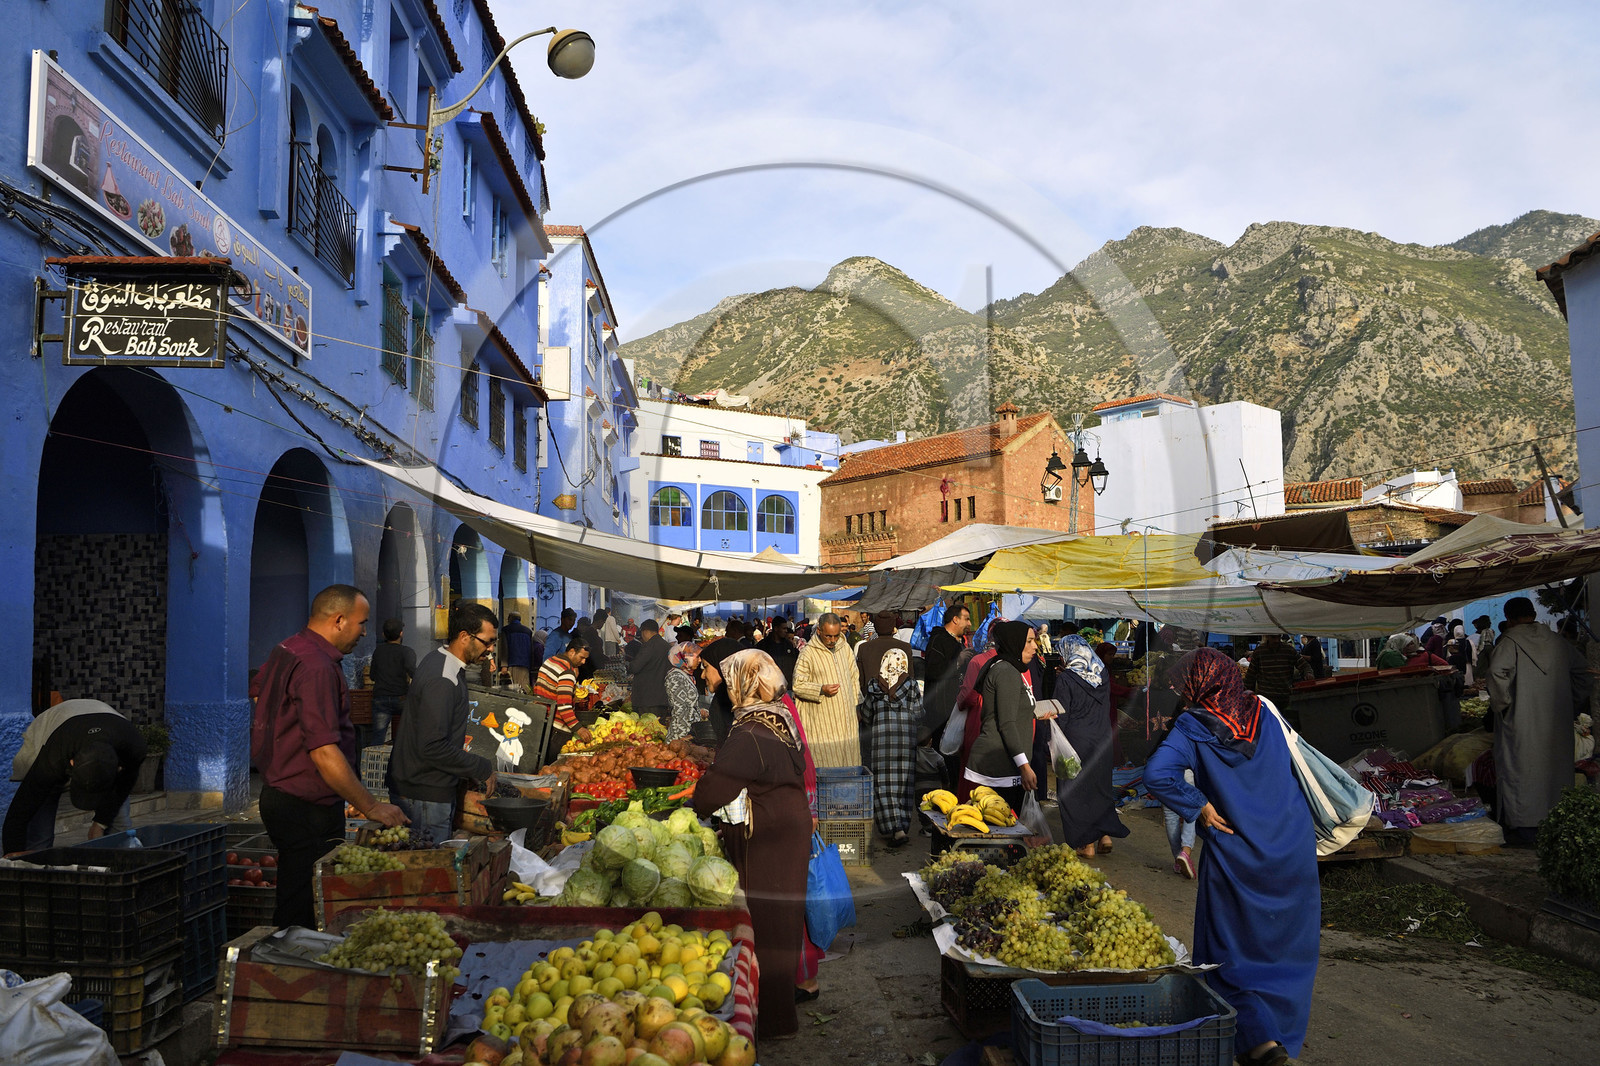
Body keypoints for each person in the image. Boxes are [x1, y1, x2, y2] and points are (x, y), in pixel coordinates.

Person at [1145, 648, 1319, 1066]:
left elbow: (1156, 775)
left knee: (1227, 955)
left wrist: (1199, 806)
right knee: (1285, 953)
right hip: (1292, 846)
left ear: (1199, 685)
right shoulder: (1265, 711)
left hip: (1237, 853)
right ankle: (1277, 1036)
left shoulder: (1191, 726)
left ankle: (1261, 1043)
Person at [250, 585, 407, 928]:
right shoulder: (316, 666)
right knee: (303, 905)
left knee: (299, 891)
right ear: (338, 620)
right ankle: (290, 972)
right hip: (304, 806)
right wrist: (371, 805)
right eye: (361, 623)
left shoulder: (289, 648)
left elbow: (258, 691)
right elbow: (323, 750)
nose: (365, 632)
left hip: (281, 793)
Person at [692, 650, 812, 1039]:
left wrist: (696, 798)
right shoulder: (778, 716)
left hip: (770, 834)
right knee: (783, 922)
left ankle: (775, 1021)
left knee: (768, 923)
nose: (727, 688)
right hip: (787, 825)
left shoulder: (751, 731)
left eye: (730, 680)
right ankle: (778, 1009)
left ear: (744, 682)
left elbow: (712, 791)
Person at [388, 602, 500, 845]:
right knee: (430, 870)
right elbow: (432, 746)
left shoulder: (442, 662)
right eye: (487, 642)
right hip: (424, 793)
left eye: (493, 643)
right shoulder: (442, 678)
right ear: (464, 637)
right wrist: (480, 766)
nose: (490, 650)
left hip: (428, 788)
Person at [1487, 597, 1592, 844]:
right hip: (1558, 720)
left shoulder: (1509, 640)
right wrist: (1568, 703)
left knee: (1521, 771)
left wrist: (1504, 707)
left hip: (1520, 721)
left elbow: (1495, 672)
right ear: (1533, 613)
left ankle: (1524, 830)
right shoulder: (1558, 642)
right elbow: (1583, 675)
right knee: (1555, 772)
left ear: (1509, 618)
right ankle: (1556, 825)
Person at [3, 699, 145, 855]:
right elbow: (19, 813)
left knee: (120, 828)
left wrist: (100, 824)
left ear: (118, 768)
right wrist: (13, 855)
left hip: (104, 724)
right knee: (40, 836)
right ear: (71, 763)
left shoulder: (133, 748)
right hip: (54, 727)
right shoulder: (52, 759)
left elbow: (122, 789)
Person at [1052, 635, 1129, 858]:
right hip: (1102, 739)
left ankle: (1086, 844)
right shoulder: (1103, 673)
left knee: (1073, 793)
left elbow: (1060, 715)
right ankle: (1104, 835)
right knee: (1099, 788)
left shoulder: (1066, 679)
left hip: (1075, 741)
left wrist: (1054, 743)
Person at [857, 612, 920, 848]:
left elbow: (863, 695)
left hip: (880, 736)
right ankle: (902, 825)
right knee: (904, 780)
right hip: (906, 738)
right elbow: (917, 709)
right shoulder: (905, 651)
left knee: (882, 781)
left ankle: (889, 825)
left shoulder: (865, 652)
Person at [963, 622, 1042, 812]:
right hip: (998, 765)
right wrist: (1024, 767)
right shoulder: (1006, 671)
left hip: (1007, 762)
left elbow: (1012, 710)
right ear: (1014, 642)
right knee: (1002, 831)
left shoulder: (1012, 669)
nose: (1035, 646)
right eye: (1029, 641)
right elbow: (1007, 723)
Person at [791, 613, 862, 768]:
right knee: (825, 764)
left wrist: (856, 705)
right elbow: (797, 684)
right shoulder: (808, 653)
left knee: (848, 762)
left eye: (836, 636)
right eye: (828, 636)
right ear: (819, 632)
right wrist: (820, 689)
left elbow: (854, 676)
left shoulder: (845, 648)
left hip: (847, 720)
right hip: (822, 722)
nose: (832, 640)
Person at [920, 604, 971, 748]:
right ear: (955, 619)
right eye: (966, 619)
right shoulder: (938, 641)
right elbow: (933, 671)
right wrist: (958, 662)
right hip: (940, 711)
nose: (969, 623)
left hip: (954, 708)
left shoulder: (957, 642)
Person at [534, 636, 591, 761]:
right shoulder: (567, 672)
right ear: (571, 652)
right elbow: (564, 707)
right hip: (557, 728)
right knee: (553, 765)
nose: (583, 662)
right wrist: (579, 729)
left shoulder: (550, 661)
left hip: (542, 720)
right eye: (582, 658)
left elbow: (540, 688)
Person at [365, 618, 415, 750]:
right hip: (401, 699)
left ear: (383, 635)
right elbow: (413, 672)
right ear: (401, 634)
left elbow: (372, 676)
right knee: (409, 733)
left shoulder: (378, 651)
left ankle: (374, 765)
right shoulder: (407, 652)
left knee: (378, 737)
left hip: (380, 699)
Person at [700, 621, 747, 743]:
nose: (702, 675)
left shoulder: (738, 703)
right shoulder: (729, 698)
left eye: (706, 667)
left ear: (722, 667)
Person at [1243, 634, 1300, 714]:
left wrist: (1308, 673)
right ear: (1267, 637)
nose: (1276, 640)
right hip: (1266, 698)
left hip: (1284, 697)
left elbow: (1303, 664)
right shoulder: (1259, 652)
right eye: (1273, 637)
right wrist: (1245, 693)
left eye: (1278, 637)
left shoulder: (1289, 650)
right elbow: (1250, 675)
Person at [628, 619, 672, 722]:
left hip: (647, 698)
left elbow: (635, 667)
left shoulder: (649, 646)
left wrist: (629, 665)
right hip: (662, 697)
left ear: (645, 631)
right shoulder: (666, 646)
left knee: (647, 730)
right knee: (659, 730)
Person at [664, 641, 702, 743]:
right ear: (684, 657)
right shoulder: (676, 677)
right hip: (680, 737)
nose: (700, 660)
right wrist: (684, 738)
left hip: (690, 733)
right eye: (697, 657)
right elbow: (679, 710)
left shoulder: (687, 675)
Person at [757, 617, 801, 686]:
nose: (786, 631)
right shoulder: (763, 645)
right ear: (776, 628)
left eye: (786, 628)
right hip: (769, 685)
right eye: (784, 628)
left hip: (786, 685)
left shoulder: (788, 645)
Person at [500, 614, 535, 691]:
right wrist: (531, 665)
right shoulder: (528, 631)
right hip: (525, 665)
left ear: (510, 619)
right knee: (525, 689)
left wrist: (504, 665)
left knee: (511, 689)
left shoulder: (506, 630)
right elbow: (531, 650)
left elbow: (504, 648)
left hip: (511, 664)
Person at [1473, 614, 1497, 683]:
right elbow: (1492, 640)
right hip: (1489, 647)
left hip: (1483, 647)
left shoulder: (1483, 632)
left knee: (1481, 663)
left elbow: (1482, 642)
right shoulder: (1491, 630)